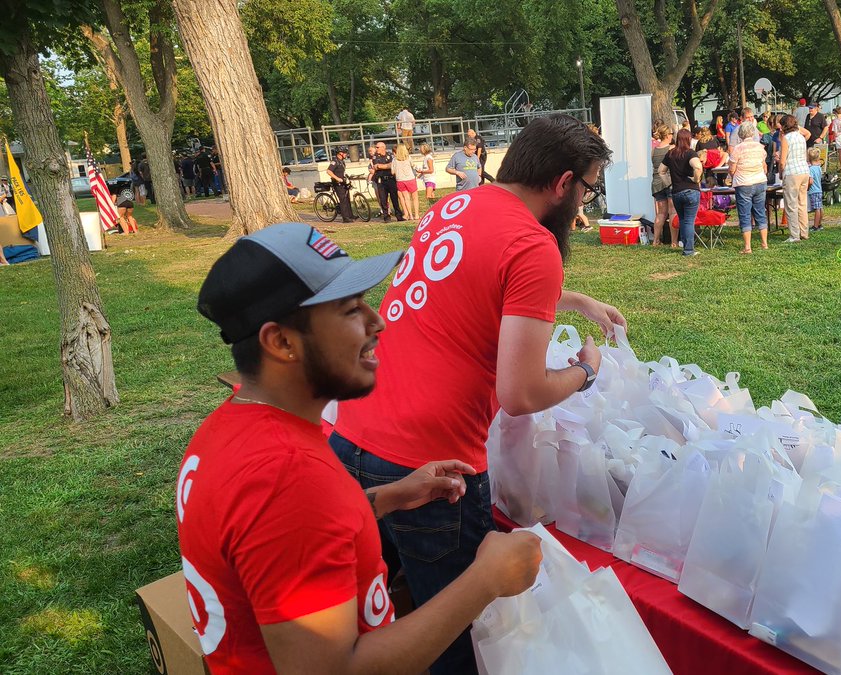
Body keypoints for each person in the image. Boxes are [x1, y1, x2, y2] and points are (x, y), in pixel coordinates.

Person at [331, 114, 624, 674]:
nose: (584, 202)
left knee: (370, 614)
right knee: (456, 637)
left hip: (353, 432)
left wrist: (575, 300)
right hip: (432, 466)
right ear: (563, 183)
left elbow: (478, 285)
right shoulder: (534, 244)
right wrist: (584, 373)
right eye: (588, 188)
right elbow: (521, 393)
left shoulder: (455, 204)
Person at [182, 222, 543, 675]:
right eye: (351, 310)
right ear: (281, 342)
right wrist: (485, 580)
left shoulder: (230, 426)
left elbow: (291, 536)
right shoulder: (288, 479)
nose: (378, 322)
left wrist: (389, 497)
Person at [729, 120, 770, 253]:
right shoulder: (760, 147)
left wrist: (733, 175)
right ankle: (764, 243)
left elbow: (732, 168)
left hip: (743, 183)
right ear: (753, 133)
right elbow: (764, 166)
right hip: (760, 181)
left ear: (740, 134)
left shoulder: (738, 148)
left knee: (745, 214)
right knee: (760, 212)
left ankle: (747, 246)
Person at [664, 127, 703, 257]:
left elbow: (661, 171)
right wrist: (696, 179)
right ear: (689, 139)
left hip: (676, 192)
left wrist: (668, 183)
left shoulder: (670, 154)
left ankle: (686, 246)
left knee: (682, 220)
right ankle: (689, 250)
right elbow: (697, 167)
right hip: (690, 190)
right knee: (689, 221)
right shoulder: (690, 153)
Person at [779, 114, 811, 242]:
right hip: (804, 171)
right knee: (802, 203)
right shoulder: (801, 137)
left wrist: (780, 173)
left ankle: (794, 235)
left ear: (784, 126)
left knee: (791, 204)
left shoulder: (786, 139)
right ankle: (804, 232)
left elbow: (782, 161)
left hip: (792, 172)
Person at [650, 124, 677, 246]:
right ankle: (674, 242)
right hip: (669, 181)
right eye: (671, 134)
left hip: (656, 183)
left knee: (661, 213)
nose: (672, 136)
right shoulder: (672, 148)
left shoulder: (654, 150)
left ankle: (655, 240)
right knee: (672, 212)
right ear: (667, 135)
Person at [370, 141, 401, 223]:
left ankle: (399, 215)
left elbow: (394, 164)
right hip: (381, 180)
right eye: (376, 147)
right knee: (383, 199)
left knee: (394, 198)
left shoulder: (390, 154)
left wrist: (383, 166)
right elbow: (376, 167)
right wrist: (388, 165)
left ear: (383, 147)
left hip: (391, 179)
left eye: (377, 147)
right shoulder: (375, 157)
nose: (376, 149)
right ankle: (386, 216)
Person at [326, 146, 354, 224]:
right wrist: (337, 178)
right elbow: (329, 171)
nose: (346, 154)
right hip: (337, 183)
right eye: (345, 153)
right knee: (343, 199)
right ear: (340, 153)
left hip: (343, 182)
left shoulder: (342, 161)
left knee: (347, 198)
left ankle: (350, 215)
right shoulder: (335, 161)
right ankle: (345, 218)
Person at [391, 143, 419, 221]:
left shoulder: (394, 159)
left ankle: (410, 215)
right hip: (410, 179)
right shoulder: (408, 158)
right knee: (415, 197)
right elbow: (413, 166)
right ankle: (416, 215)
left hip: (400, 180)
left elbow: (392, 172)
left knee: (406, 198)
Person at [806, 147, 824, 232]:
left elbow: (811, 181)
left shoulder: (811, 169)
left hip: (813, 191)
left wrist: (807, 187)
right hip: (819, 189)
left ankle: (815, 226)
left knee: (816, 209)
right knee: (820, 207)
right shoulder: (818, 167)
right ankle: (820, 224)